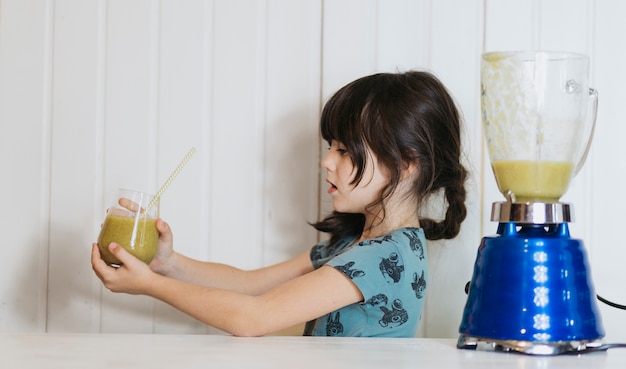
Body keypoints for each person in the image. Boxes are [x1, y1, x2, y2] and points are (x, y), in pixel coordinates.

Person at [91, 70, 468, 337]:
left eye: (344, 150)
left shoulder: (384, 259)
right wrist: (166, 264)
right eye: (329, 147)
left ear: (404, 164)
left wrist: (150, 286)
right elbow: (249, 285)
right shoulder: (358, 244)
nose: (326, 161)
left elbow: (252, 317)